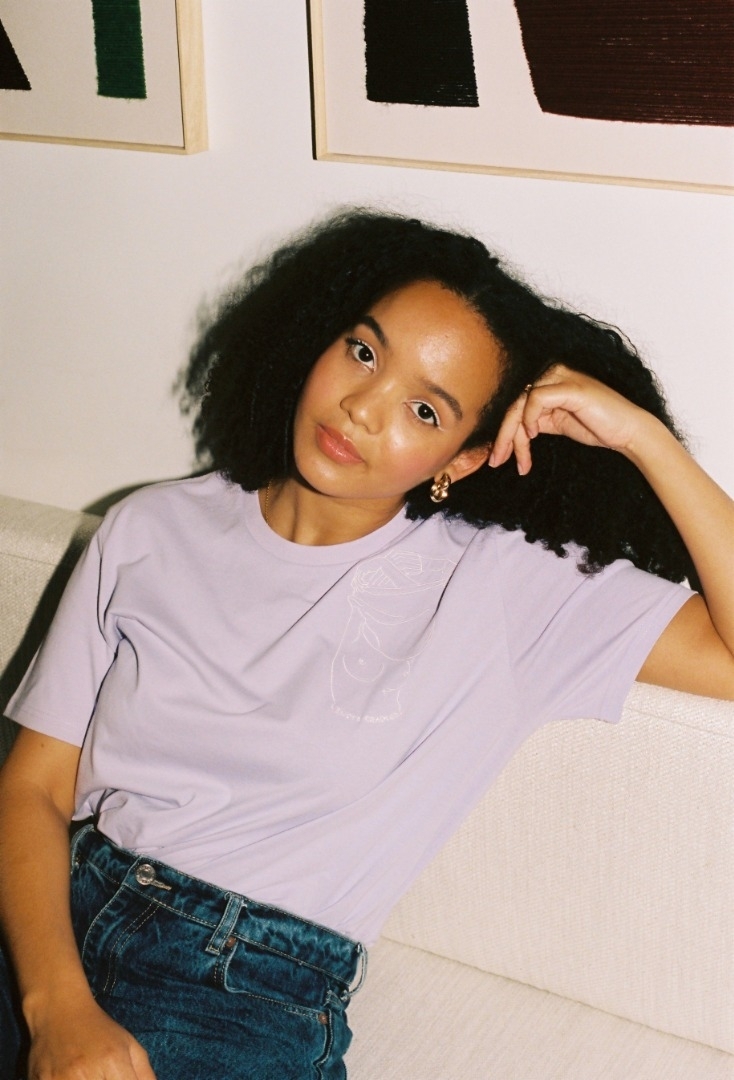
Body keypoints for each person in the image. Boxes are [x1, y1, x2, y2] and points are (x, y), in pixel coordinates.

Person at [0, 208, 732, 1080]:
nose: (362, 407)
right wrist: (56, 1006)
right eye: (362, 352)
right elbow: (34, 786)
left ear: (462, 458)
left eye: (424, 409)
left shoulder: (502, 587)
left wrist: (642, 438)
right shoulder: (151, 527)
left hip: (237, 993)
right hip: (44, 927)